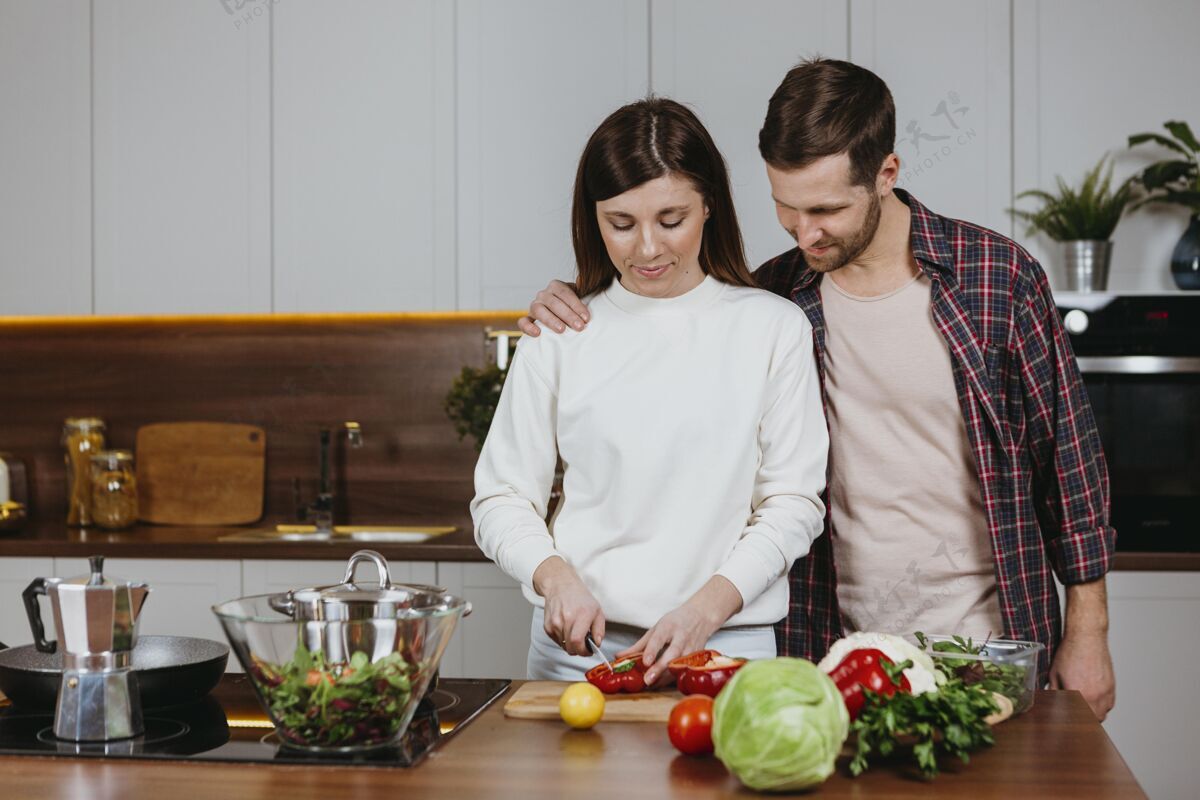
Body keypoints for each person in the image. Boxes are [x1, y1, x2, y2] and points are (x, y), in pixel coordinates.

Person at [517, 59, 1117, 720]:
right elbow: (665, 330)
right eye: (786, 207)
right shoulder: (773, 295)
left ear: (885, 174)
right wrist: (574, 300)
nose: (805, 233)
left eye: (826, 209)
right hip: (826, 652)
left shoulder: (995, 279)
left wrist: (1088, 632)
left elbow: (1070, 464)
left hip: (986, 643)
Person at [470, 98, 828, 686]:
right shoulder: (559, 332)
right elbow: (500, 496)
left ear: (709, 204)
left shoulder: (774, 328)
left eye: (671, 220)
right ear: (594, 217)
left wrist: (704, 610)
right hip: (581, 654)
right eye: (621, 223)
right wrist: (554, 577)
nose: (647, 249)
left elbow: (792, 503)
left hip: (725, 650)